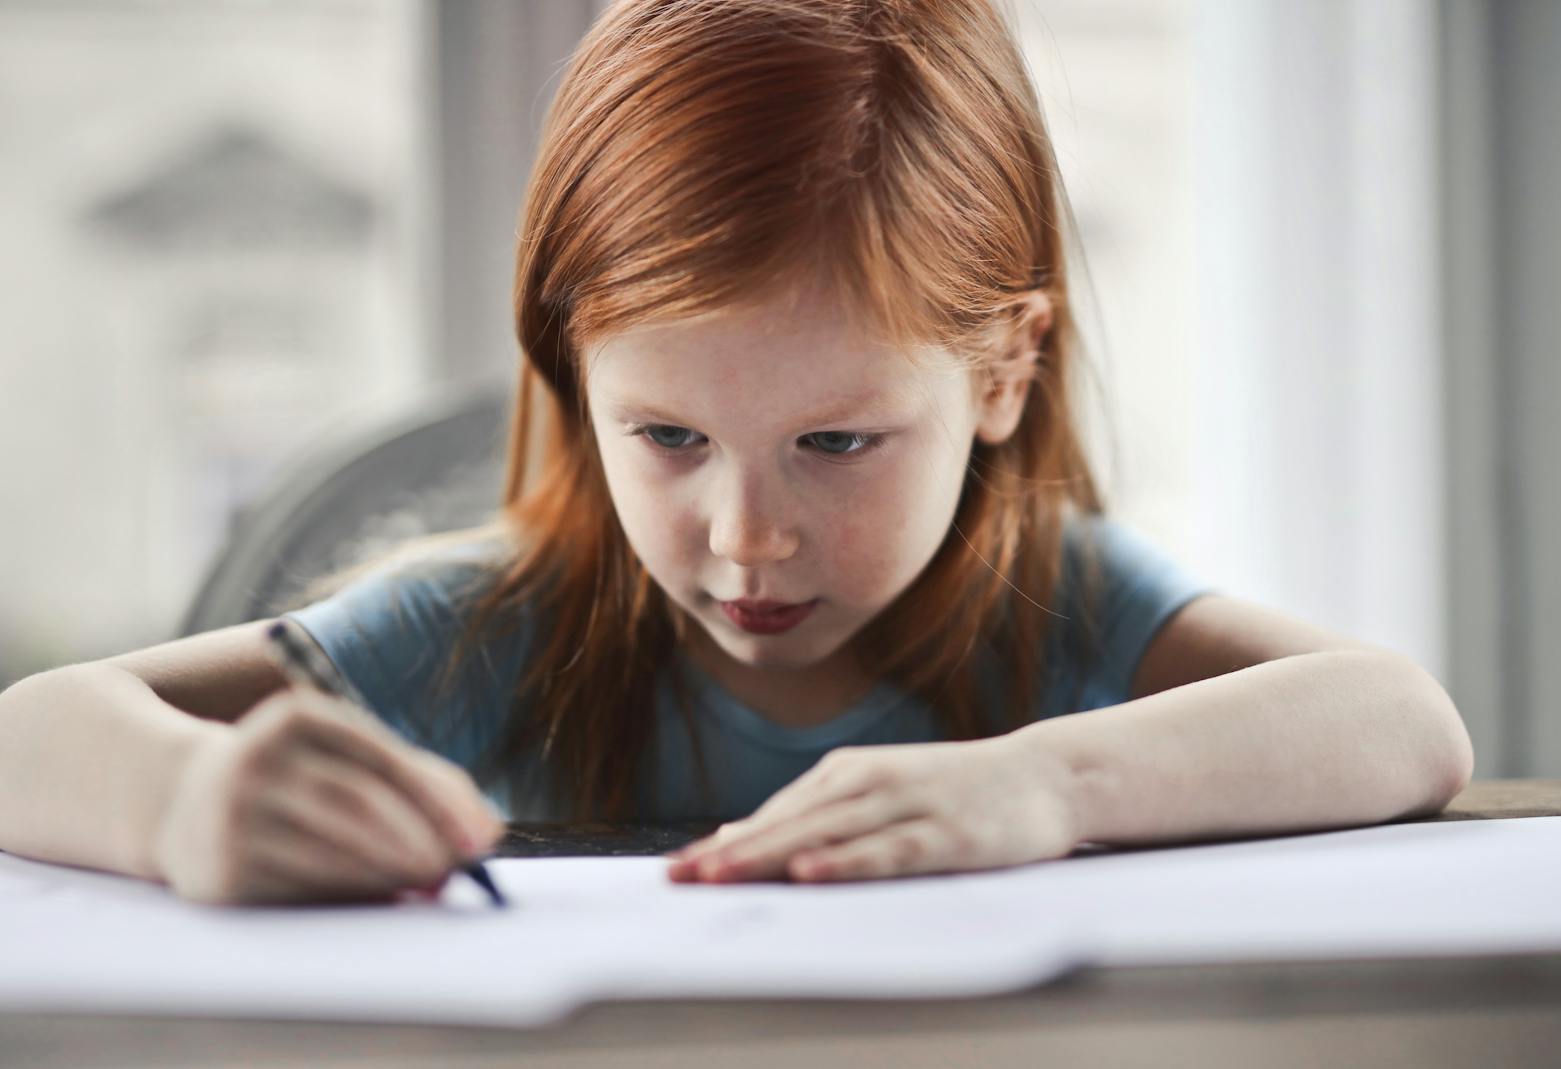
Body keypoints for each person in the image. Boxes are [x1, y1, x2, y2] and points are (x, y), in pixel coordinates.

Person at [0, 0, 1474, 906]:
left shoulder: (1058, 607)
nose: (745, 533)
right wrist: (185, 802)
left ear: (1004, 370)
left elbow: (1404, 723)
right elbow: (31, 731)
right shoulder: (485, 629)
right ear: (575, 378)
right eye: (668, 436)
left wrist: (1054, 785)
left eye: (836, 439)